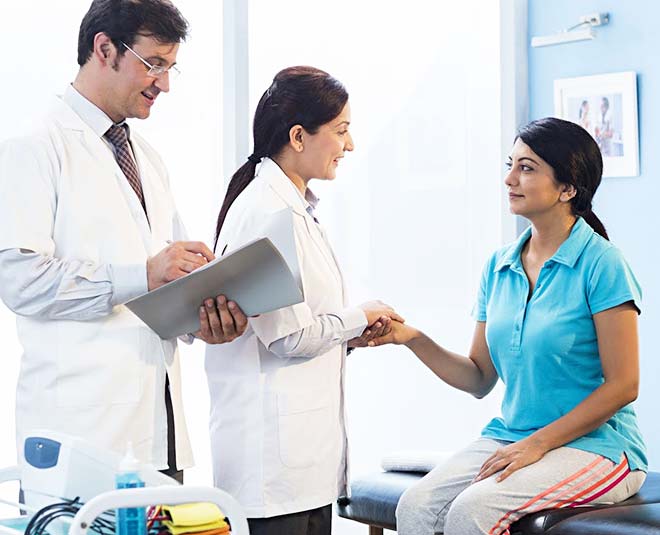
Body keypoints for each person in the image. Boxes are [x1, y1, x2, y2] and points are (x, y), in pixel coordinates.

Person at [0, 0, 247, 483]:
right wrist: (142, 275)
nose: (164, 84)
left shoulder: (147, 160)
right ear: (104, 49)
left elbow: (170, 280)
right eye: (153, 64)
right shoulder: (33, 148)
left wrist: (206, 318)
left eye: (170, 67)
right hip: (81, 441)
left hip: (159, 438)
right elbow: (19, 281)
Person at [369, 117, 647, 535]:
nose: (509, 179)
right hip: (512, 436)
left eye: (527, 168)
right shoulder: (499, 266)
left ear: (568, 189)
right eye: (510, 164)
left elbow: (624, 385)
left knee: (472, 510)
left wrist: (538, 444)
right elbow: (479, 377)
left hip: (600, 447)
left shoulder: (603, 264)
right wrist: (411, 338)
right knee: (416, 506)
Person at [205, 66, 403, 535]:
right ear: (298, 136)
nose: (349, 145)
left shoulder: (293, 209)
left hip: (301, 467)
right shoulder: (267, 211)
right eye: (341, 130)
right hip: (270, 474)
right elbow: (287, 337)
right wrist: (358, 317)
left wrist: (349, 336)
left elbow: (297, 324)